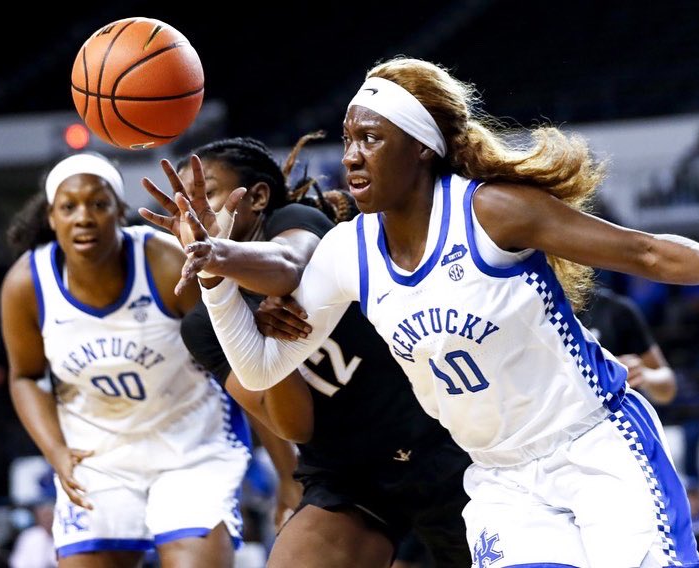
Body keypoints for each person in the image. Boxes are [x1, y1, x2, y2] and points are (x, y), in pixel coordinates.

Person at [146, 58, 699, 568]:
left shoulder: (489, 212)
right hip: (500, 476)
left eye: (371, 139)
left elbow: (640, 251)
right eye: (349, 139)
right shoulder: (348, 252)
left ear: (420, 147)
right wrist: (213, 274)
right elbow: (261, 368)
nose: (351, 155)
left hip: (593, 441)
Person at [142, 136, 471, 568]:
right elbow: (294, 425)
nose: (192, 212)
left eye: (207, 194)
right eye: (182, 203)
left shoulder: (298, 221)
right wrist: (266, 344)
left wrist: (220, 255)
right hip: (347, 473)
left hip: (437, 438)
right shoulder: (203, 326)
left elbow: (289, 266)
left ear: (258, 198)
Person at [0, 153, 250, 566]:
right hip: (97, 457)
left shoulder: (166, 261)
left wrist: (286, 473)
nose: (84, 217)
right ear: (52, 218)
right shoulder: (27, 284)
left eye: (98, 204)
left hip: (191, 445)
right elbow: (24, 377)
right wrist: (56, 451)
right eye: (69, 207)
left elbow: (238, 356)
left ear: (120, 211)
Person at [578, 287, 677, 404]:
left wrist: (643, 374)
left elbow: (668, 387)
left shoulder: (614, 309)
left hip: (611, 411)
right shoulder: (557, 318)